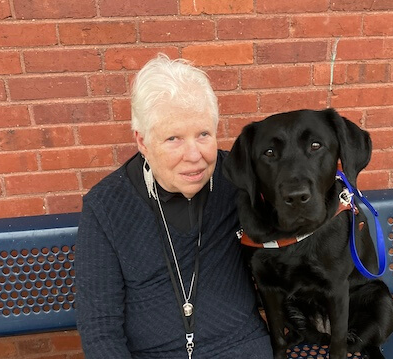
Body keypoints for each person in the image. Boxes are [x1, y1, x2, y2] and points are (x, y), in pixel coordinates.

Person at [75, 54, 273, 358]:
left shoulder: (238, 179)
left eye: (203, 134)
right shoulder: (105, 207)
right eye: (173, 139)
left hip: (241, 347)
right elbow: (100, 329)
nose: (194, 155)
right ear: (143, 142)